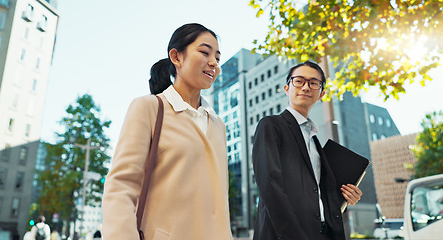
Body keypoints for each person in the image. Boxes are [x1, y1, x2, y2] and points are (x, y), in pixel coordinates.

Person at [101, 23, 233, 240]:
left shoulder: (218, 125)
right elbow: (121, 187)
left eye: (217, 58)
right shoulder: (149, 108)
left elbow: (220, 202)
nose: (214, 63)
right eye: (204, 52)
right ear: (176, 57)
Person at [252, 61, 363, 240]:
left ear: (321, 94)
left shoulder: (316, 142)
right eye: (299, 81)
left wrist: (345, 197)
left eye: (313, 83)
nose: (306, 87)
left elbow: (317, 192)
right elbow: (269, 183)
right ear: (287, 87)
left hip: (324, 233)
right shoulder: (271, 125)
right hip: (287, 235)